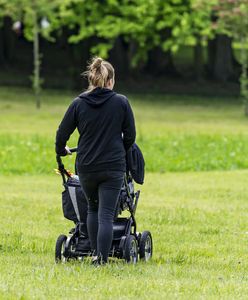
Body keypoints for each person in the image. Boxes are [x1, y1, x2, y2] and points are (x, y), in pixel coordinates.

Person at [55, 57, 136, 265]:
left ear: (92, 80)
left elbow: (61, 134)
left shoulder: (79, 103)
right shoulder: (121, 102)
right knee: (107, 214)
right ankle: (102, 258)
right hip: (112, 166)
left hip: (87, 166)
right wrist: (121, 150)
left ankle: (93, 252)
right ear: (111, 81)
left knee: (92, 209)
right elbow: (130, 136)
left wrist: (62, 151)